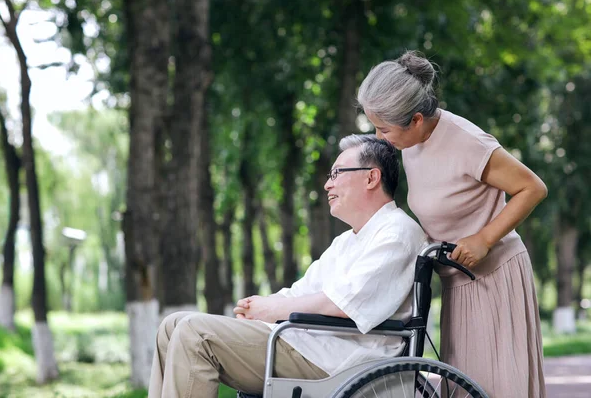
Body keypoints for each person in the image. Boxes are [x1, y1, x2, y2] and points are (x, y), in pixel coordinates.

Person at [147, 134, 429, 398]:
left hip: (342, 361)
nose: (327, 184)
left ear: (371, 177)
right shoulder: (348, 240)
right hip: (309, 345)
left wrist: (272, 310)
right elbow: (301, 291)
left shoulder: (398, 233)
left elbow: (344, 304)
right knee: (172, 325)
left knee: (193, 333)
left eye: (336, 174)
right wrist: (258, 307)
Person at [357, 51, 548, 397]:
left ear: (416, 119)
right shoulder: (412, 141)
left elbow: (532, 187)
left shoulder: (467, 142)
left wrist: (485, 238)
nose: (379, 136)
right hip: (456, 282)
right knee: (464, 386)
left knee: (498, 386)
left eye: (384, 129)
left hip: (495, 277)